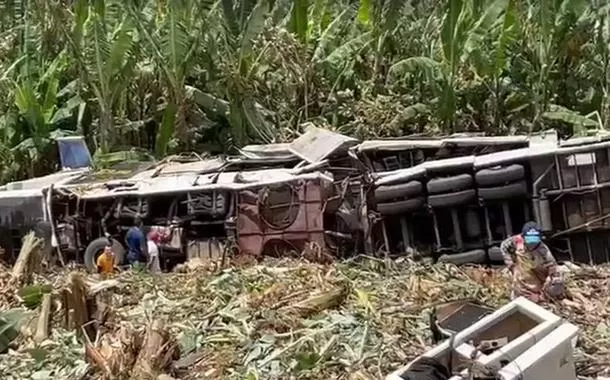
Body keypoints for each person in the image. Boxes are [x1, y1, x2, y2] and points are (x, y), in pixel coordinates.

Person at [500, 221, 564, 303]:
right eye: (529, 239)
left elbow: (556, 276)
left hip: (538, 286)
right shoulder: (518, 241)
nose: (531, 243)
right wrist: (511, 265)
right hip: (521, 283)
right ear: (523, 237)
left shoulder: (544, 252)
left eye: (535, 240)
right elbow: (504, 246)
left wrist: (541, 297)